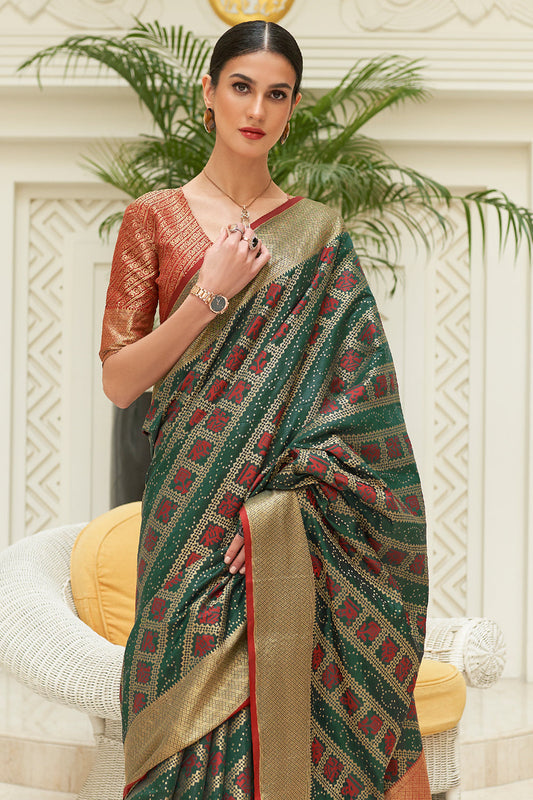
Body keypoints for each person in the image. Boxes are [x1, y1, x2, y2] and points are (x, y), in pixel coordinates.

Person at [99, 20, 431, 800]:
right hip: (185, 517)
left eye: (275, 94)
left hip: (283, 525)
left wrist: (292, 513)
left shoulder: (319, 237)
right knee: (173, 697)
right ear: (208, 92)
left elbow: (359, 409)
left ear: (292, 107)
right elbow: (119, 380)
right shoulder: (153, 217)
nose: (256, 109)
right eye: (241, 87)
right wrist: (208, 294)